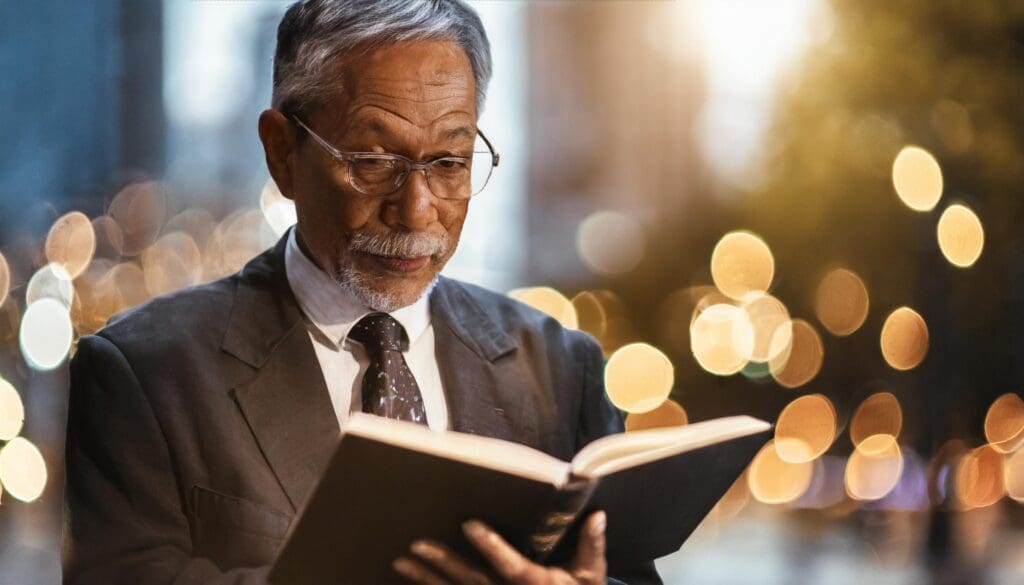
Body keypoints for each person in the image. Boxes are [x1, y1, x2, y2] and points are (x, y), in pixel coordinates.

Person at [62, 1, 662, 584]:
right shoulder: (146, 375)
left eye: (451, 162)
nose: (417, 209)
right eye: (374, 161)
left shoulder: (561, 367)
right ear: (282, 153)